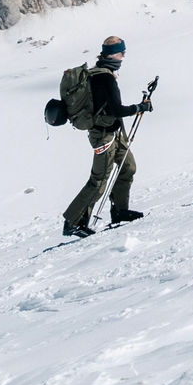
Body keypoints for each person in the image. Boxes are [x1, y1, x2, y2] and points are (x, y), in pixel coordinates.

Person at [63, 35, 153, 237]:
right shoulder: (105, 77)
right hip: (103, 136)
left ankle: (120, 211)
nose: (123, 57)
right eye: (123, 53)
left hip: (112, 132)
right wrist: (140, 107)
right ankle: (73, 221)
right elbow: (116, 109)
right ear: (115, 54)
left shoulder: (98, 73)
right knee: (99, 180)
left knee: (128, 167)